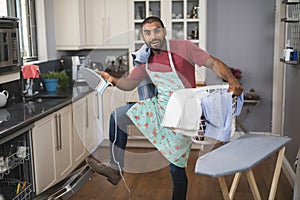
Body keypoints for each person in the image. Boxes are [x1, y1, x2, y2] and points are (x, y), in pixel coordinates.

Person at [86, 16, 243, 200]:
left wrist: (232, 80)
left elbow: (212, 63)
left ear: (164, 31)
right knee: (118, 116)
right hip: (159, 108)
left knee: (175, 169)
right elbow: (129, 83)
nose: (153, 36)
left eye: (156, 30)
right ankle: (115, 169)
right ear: (143, 36)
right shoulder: (145, 57)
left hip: (184, 115)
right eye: (147, 32)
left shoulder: (184, 48)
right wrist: (113, 80)